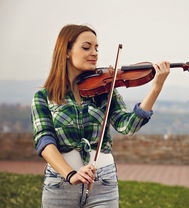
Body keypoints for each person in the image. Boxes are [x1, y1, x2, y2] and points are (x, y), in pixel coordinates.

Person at [31, 24, 170, 208]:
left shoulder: (105, 89)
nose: (95, 53)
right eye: (86, 47)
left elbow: (127, 126)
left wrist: (156, 89)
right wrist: (71, 174)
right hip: (60, 183)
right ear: (66, 51)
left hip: (103, 181)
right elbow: (44, 141)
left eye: (97, 48)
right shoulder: (43, 96)